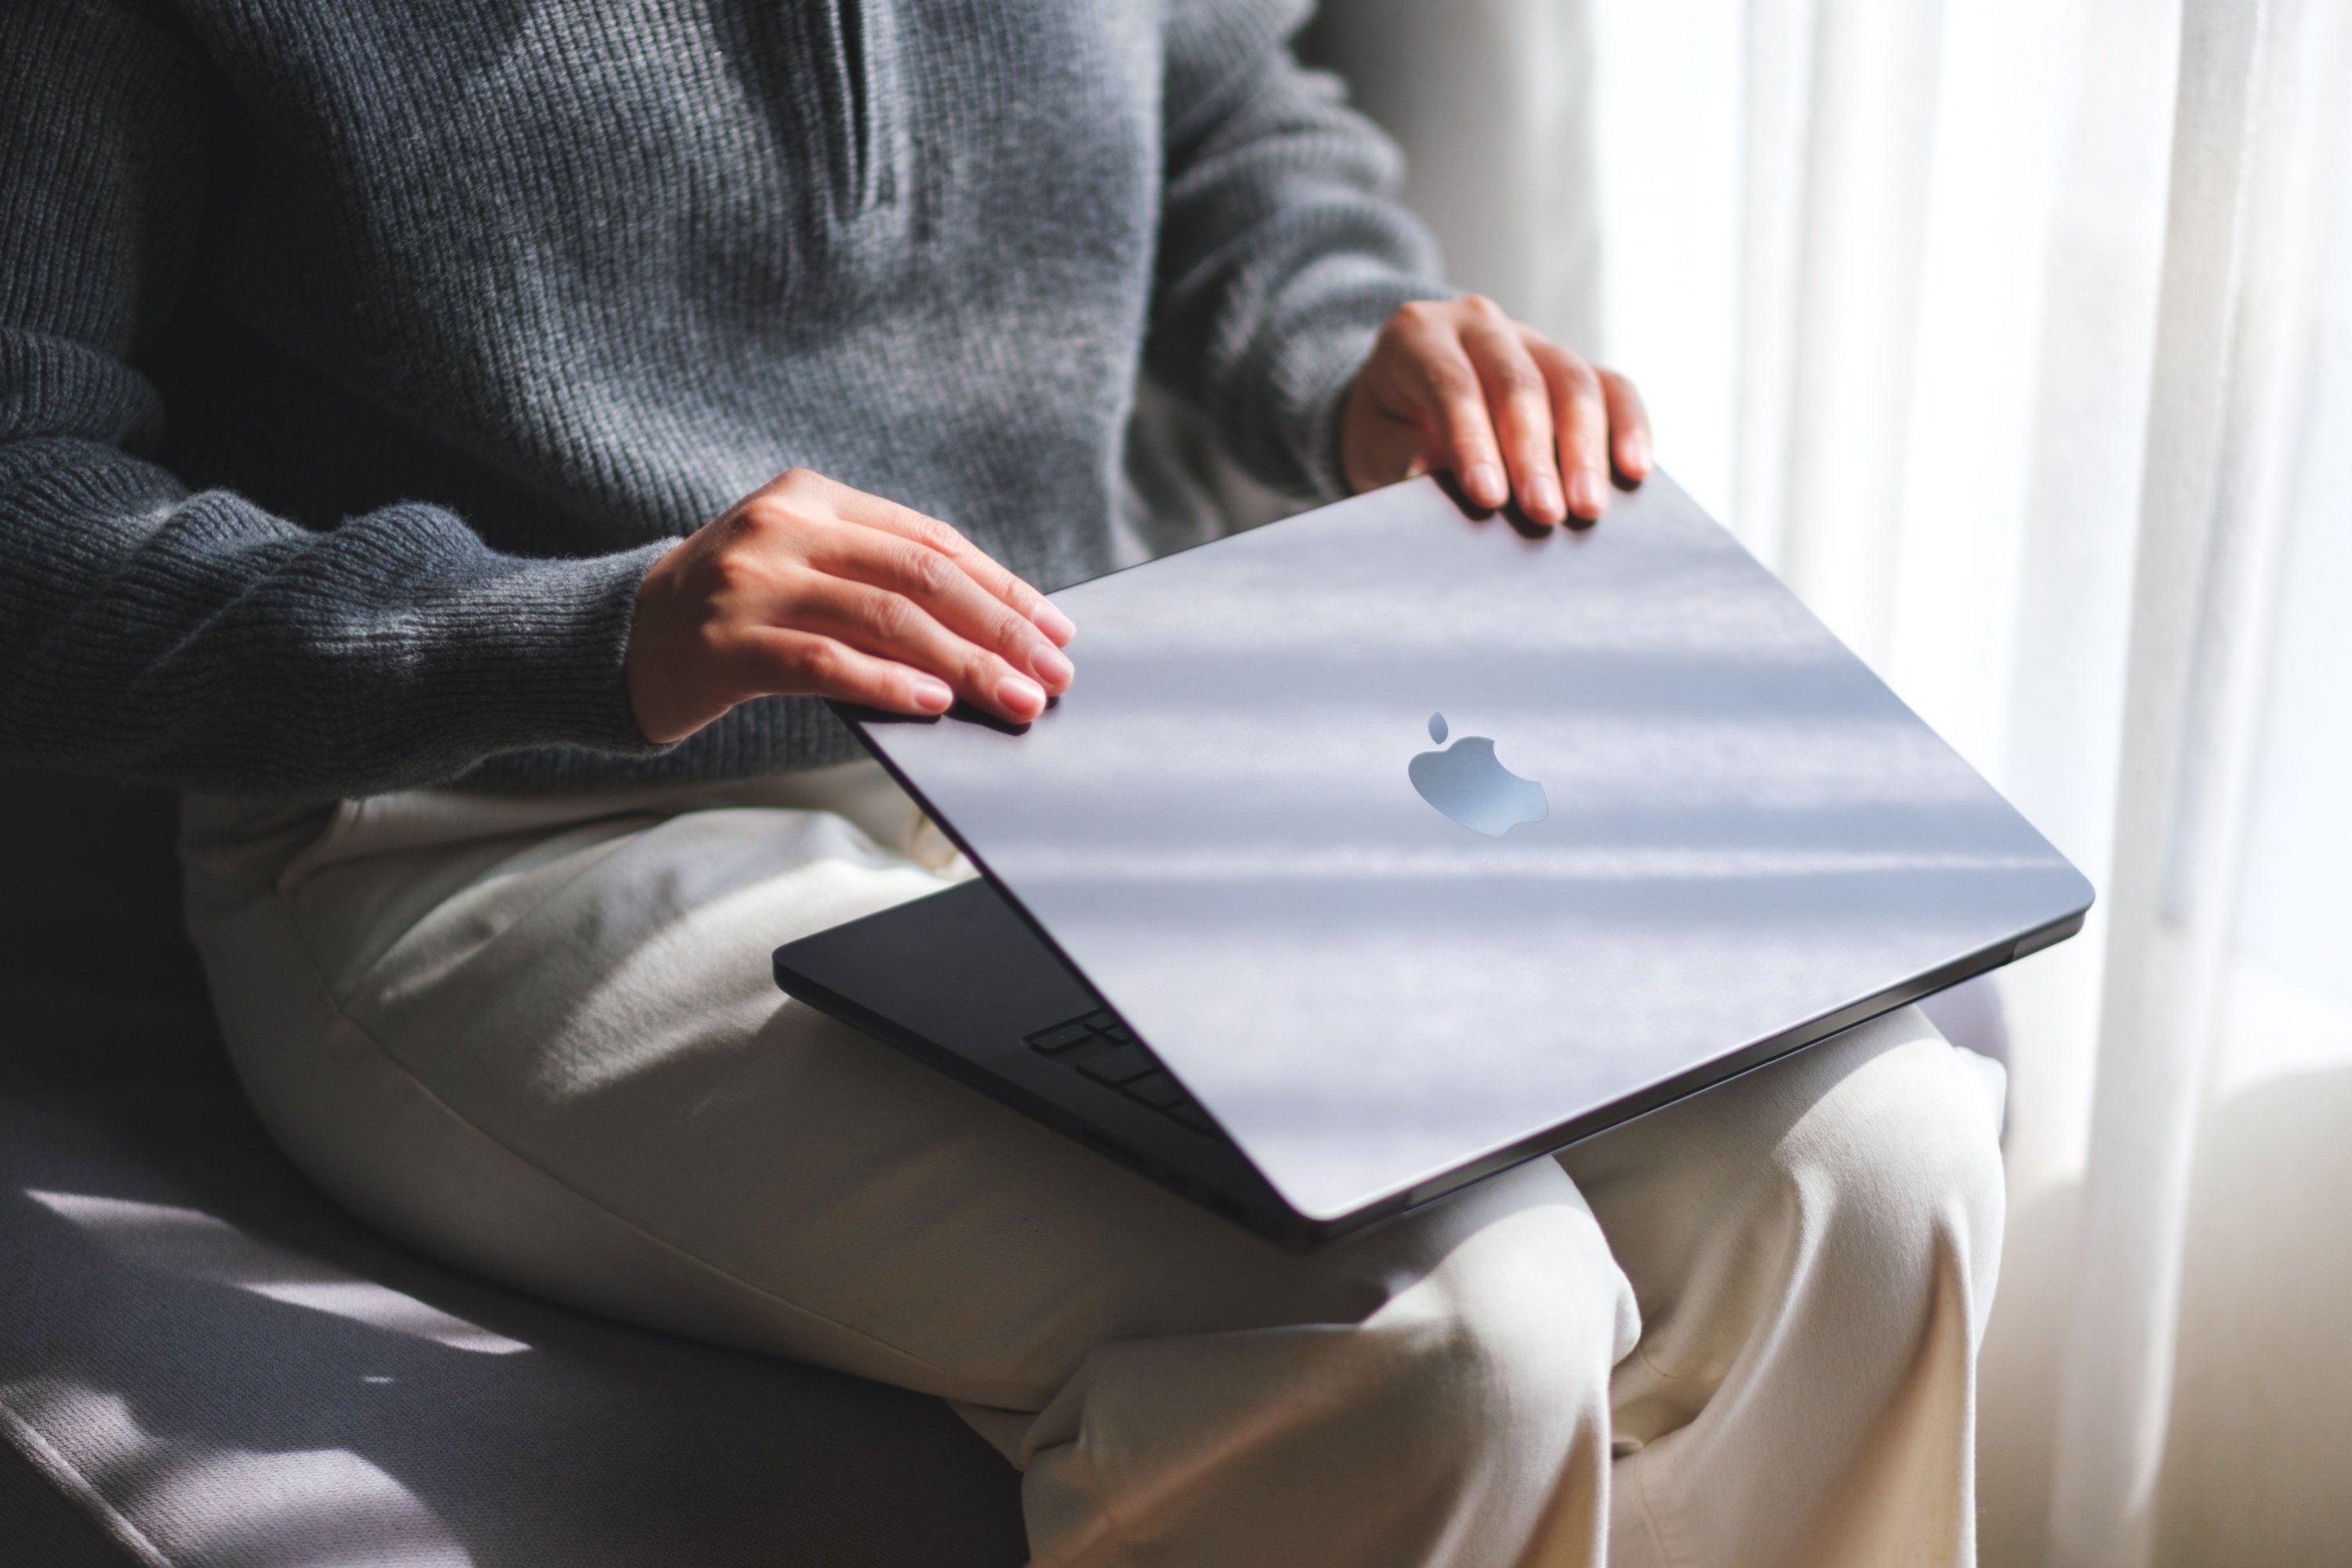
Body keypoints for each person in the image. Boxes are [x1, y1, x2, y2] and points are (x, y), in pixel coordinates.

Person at [0, 2, 2004, 1563]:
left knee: (1869, 1157)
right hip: (496, 827)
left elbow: (1223, 110)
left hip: (1083, 738)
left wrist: (1345, 354)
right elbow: (26, 502)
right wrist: (592, 629)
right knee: (1430, 1316)